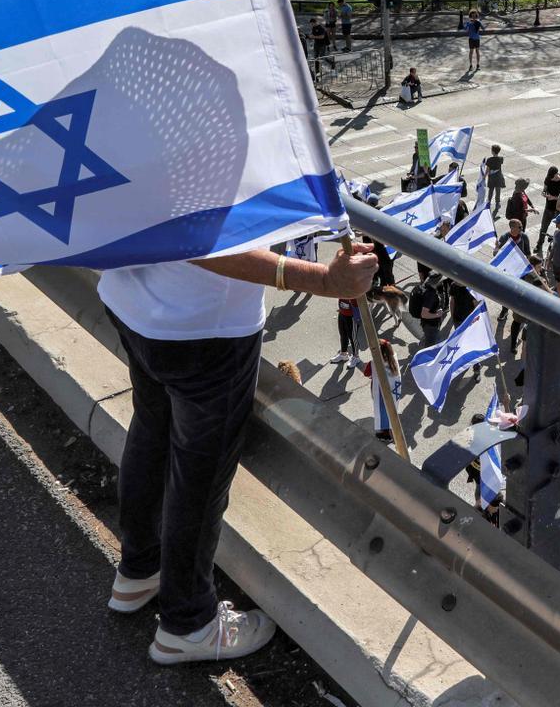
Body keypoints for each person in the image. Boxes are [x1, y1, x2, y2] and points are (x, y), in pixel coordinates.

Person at [101, 226, 378, 662]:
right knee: (199, 477)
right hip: (205, 327)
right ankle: (187, 623)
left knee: (152, 431)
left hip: (131, 299)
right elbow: (194, 235)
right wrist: (321, 281)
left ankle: (139, 570)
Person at [361, 340, 402, 444]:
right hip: (393, 391)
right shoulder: (394, 359)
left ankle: (386, 434)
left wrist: (368, 365)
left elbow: (366, 373)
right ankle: (389, 429)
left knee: (382, 411)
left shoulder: (375, 363)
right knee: (389, 410)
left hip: (380, 391)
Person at [328, 297, 363, 368]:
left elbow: (357, 302)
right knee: (343, 334)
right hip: (342, 312)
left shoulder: (354, 288)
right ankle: (343, 354)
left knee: (353, 337)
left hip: (352, 316)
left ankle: (356, 357)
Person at [536, 166, 560, 252]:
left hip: (558, 209)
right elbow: (544, 189)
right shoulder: (548, 179)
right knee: (543, 227)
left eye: (552, 176)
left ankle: (559, 245)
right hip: (548, 207)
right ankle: (539, 244)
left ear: (556, 174)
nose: (551, 178)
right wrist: (544, 193)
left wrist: (553, 197)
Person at [417, 270, 447, 347]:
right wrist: (438, 314)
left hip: (426, 323)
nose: (441, 282)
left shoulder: (425, 286)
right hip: (430, 325)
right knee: (430, 344)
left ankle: (424, 341)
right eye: (441, 281)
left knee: (428, 336)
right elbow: (424, 314)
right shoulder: (431, 295)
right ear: (437, 282)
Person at [485, 145, 506, 214]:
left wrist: (484, 176)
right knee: (498, 191)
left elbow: (487, 169)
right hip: (498, 177)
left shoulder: (489, 159)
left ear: (492, 151)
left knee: (491, 190)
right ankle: (497, 204)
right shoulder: (501, 159)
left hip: (492, 178)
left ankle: (488, 202)